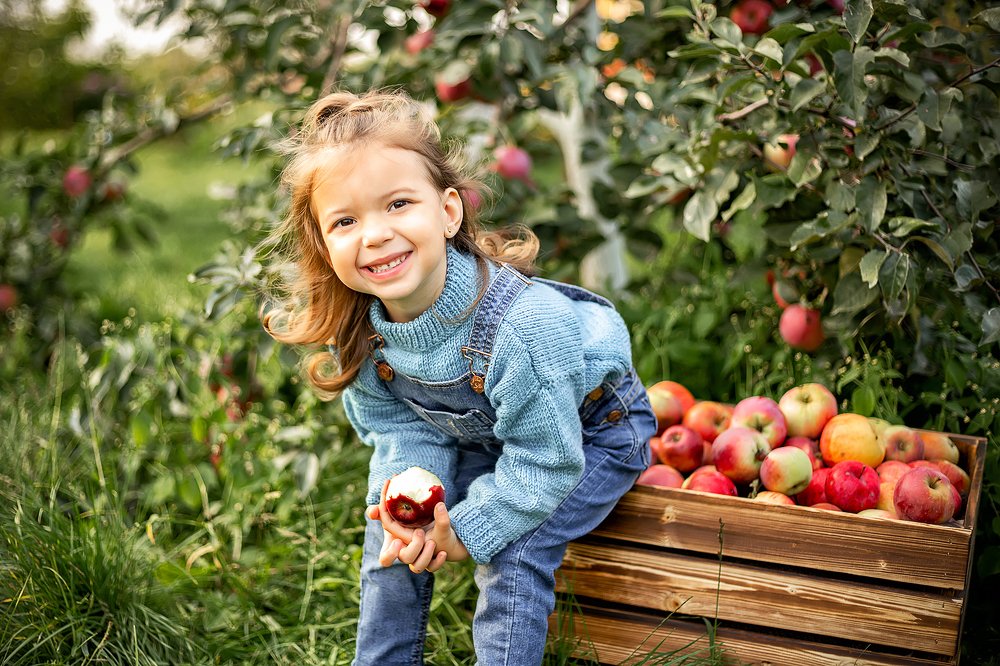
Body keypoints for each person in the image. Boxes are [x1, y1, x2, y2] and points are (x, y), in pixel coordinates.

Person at [261, 88, 655, 665]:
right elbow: (404, 427)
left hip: (592, 434)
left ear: (448, 212)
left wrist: (468, 529)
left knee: (517, 545)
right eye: (346, 220)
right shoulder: (363, 329)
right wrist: (411, 505)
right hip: (497, 440)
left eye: (398, 204)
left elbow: (546, 462)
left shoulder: (523, 328)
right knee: (393, 540)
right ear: (323, 245)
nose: (374, 234)